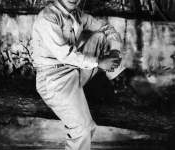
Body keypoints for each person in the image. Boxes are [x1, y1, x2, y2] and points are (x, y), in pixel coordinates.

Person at [31, 0, 141, 149]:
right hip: (54, 78)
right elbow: (65, 55)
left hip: (74, 70)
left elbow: (107, 27)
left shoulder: (77, 15)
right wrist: (98, 62)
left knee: (101, 37)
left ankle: (119, 85)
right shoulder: (48, 17)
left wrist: (114, 50)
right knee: (82, 130)